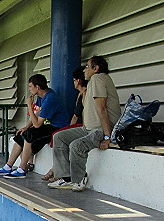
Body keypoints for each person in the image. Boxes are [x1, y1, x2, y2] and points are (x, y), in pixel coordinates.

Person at [48, 55, 121, 192]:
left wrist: (107, 136)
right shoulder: (93, 81)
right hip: (87, 128)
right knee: (58, 137)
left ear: (96, 68)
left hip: (100, 129)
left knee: (76, 146)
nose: (85, 70)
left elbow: (102, 107)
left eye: (87, 67)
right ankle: (66, 178)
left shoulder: (98, 78)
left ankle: (79, 179)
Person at [0, 74, 69, 178]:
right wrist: (26, 127)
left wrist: (29, 105)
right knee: (21, 135)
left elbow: (37, 124)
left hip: (58, 127)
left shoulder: (50, 98)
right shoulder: (41, 96)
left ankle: (22, 169)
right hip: (49, 125)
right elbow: (36, 114)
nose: (29, 89)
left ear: (37, 87)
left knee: (29, 135)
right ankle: (8, 166)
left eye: (30, 87)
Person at [42, 66, 88, 181]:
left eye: (74, 80)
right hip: (79, 126)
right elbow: (74, 116)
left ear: (78, 81)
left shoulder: (86, 93)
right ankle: (57, 170)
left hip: (85, 127)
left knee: (61, 138)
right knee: (59, 135)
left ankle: (58, 172)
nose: (73, 82)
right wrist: (69, 129)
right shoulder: (79, 94)